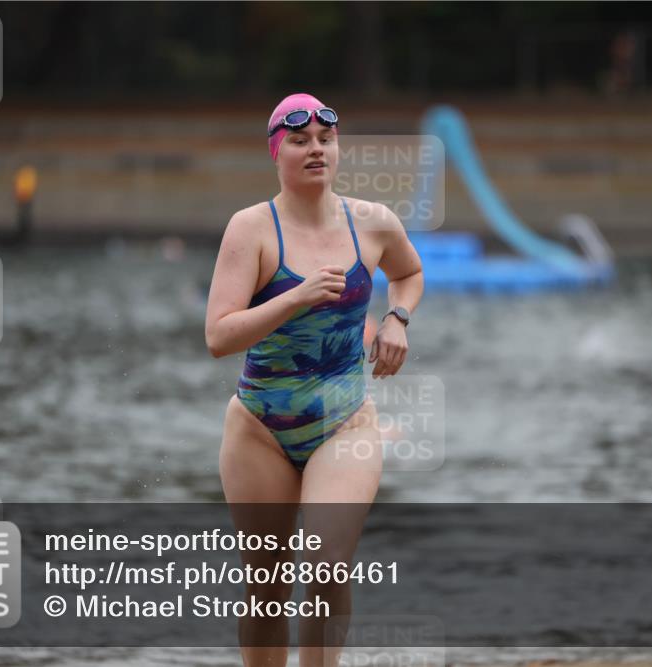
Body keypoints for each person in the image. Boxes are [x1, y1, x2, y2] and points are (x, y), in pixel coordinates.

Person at [204, 93, 424, 666]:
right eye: (300, 141)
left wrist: (398, 318)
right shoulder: (250, 229)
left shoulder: (373, 222)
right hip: (259, 427)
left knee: (326, 566)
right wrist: (295, 298)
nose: (315, 150)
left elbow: (409, 272)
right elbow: (219, 336)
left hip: (344, 421)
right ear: (277, 152)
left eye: (325, 140)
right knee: (267, 587)